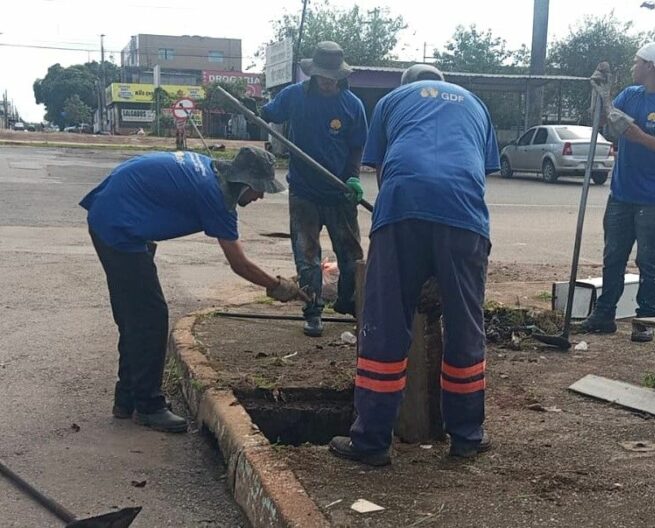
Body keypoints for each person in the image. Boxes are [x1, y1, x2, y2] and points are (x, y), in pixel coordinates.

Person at [328, 64, 500, 467]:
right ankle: (466, 438)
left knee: (386, 323)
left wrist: (404, 230)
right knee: (465, 325)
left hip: (403, 204)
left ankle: (371, 443)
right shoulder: (475, 104)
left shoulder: (391, 100)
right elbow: (476, 170)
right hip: (463, 212)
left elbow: (384, 170)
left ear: (408, 84)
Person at [80, 147, 306, 433]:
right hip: (118, 227)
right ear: (245, 184)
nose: (260, 197)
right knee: (151, 318)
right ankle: (148, 406)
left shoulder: (212, 171)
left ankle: (127, 400)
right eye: (259, 190)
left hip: (119, 215)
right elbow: (239, 264)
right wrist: (279, 286)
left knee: (134, 316)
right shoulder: (215, 197)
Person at [580, 41, 655, 342]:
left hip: (653, 198)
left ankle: (645, 318)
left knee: (648, 260)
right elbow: (605, 121)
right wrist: (600, 94)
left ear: (650, 67)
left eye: (637, 62)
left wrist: (642, 138)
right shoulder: (631, 95)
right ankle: (605, 313)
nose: (633, 66)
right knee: (613, 256)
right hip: (621, 193)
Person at [261, 41, 368, 337]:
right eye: (322, 75)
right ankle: (312, 311)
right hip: (304, 193)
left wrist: (353, 178)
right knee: (307, 257)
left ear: (340, 75)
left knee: (351, 257)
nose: (327, 81)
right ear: (313, 73)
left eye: (332, 77)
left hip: (340, 192)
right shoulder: (294, 96)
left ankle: (348, 303)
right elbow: (269, 113)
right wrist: (257, 111)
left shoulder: (352, 105)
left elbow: (357, 145)